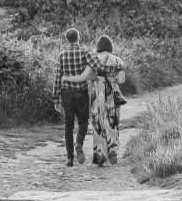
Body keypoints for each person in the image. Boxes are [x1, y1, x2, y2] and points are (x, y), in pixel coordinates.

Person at [61, 34, 127, 166]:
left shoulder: (93, 59)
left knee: (98, 124)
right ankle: (112, 150)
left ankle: (100, 155)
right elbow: (121, 80)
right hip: (111, 95)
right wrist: (113, 78)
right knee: (112, 122)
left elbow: (85, 77)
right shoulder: (118, 61)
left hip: (96, 95)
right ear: (110, 47)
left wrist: (68, 79)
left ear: (98, 47)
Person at [53, 28, 91, 167]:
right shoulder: (85, 53)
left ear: (67, 39)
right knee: (83, 122)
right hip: (81, 93)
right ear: (78, 37)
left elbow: (57, 77)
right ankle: (79, 143)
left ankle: (70, 158)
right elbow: (97, 67)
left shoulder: (62, 55)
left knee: (68, 125)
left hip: (66, 94)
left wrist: (56, 98)